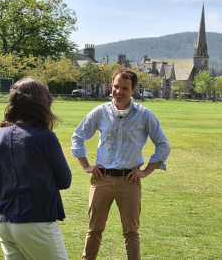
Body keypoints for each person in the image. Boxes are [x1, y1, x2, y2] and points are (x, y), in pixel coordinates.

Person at [71, 68, 171, 260]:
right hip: (101, 180)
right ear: (111, 87)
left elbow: (163, 144)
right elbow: (78, 137)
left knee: (131, 232)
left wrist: (146, 172)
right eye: (116, 87)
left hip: (129, 181)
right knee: (94, 230)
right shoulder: (100, 112)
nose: (119, 92)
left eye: (124, 88)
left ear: (134, 90)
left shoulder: (143, 115)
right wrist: (86, 166)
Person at [0, 77, 72, 259]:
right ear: (42, 103)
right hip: (36, 220)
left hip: (4, 221)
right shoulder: (45, 137)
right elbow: (64, 181)